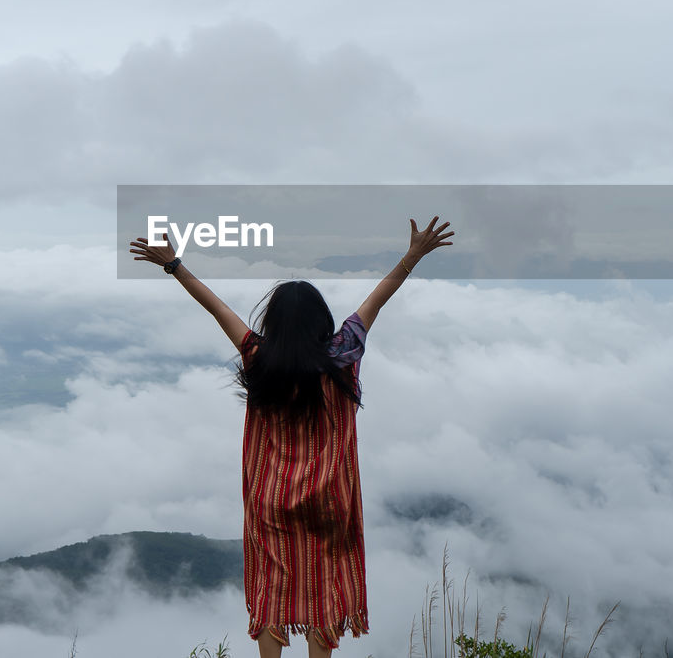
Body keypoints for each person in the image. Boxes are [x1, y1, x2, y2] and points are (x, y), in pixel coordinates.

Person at [129, 217, 454, 656]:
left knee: (272, 589)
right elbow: (377, 300)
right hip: (329, 499)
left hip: (271, 497)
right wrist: (412, 257)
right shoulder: (343, 358)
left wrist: (175, 267)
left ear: (274, 321)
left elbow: (217, 308)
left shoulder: (257, 356)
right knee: (324, 582)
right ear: (322, 321)